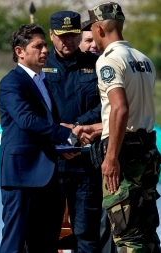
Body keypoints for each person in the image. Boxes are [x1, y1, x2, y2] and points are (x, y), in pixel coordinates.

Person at [78, 2, 161, 252]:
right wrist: (98, 127)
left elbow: (121, 108)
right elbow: (136, 110)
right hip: (147, 150)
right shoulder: (144, 60)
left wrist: (111, 157)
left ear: (99, 29)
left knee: (126, 235)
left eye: (92, 31)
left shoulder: (108, 61)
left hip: (125, 156)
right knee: (147, 233)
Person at [0, 23, 73, 253]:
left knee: (45, 244)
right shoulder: (11, 82)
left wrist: (63, 142)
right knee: (15, 244)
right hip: (21, 176)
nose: (45, 51)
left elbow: (47, 123)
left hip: (48, 176)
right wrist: (64, 135)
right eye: (38, 46)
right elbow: (26, 120)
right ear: (20, 51)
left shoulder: (43, 82)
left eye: (45, 45)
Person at [44, 11, 108, 253]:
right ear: (52, 35)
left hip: (84, 165)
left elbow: (106, 104)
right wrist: (59, 133)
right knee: (46, 234)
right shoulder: (41, 66)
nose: (67, 41)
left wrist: (78, 126)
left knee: (87, 235)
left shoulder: (95, 65)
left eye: (72, 35)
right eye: (62, 36)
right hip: (50, 166)